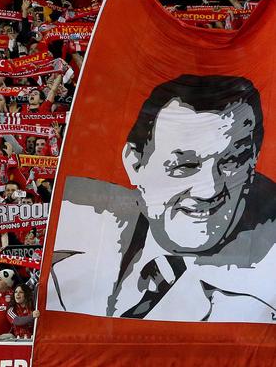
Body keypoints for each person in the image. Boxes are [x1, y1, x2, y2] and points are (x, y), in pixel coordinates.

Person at [47, 74, 276, 322]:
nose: (209, 190)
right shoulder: (71, 220)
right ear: (134, 163)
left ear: (254, 160)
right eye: (186, 165)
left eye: (232, 162)